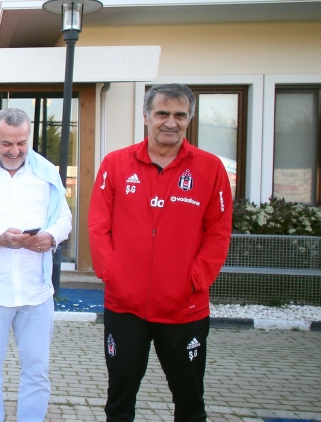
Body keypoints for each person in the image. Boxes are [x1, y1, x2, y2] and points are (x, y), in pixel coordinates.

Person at [88, 83, 233, 422]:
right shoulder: (115, 164)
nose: (170, 122)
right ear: (146, 116)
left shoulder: (210, 168)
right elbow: (98, 225)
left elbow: (218, 232)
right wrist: (112, 272)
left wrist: (196, 279)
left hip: (184, 307)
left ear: (189, 118)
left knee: (190, 402)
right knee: (119, 402)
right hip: (125, 307)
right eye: (162, 113)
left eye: (180, 115)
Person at [0, 108, 72, 422]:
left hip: (36, 291)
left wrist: (51, 236)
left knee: (37, 372)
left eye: (22, 143)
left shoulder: (46, 172)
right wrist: (0, 238)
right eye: (6, 143)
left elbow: (64, 217)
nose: (15, 150)